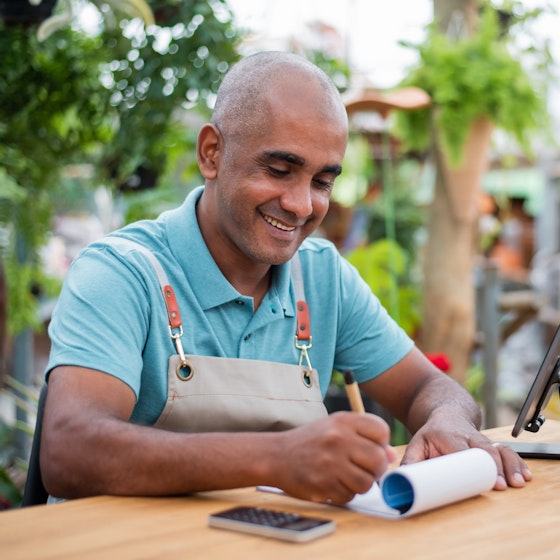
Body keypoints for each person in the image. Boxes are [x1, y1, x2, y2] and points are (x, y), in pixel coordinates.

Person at [40, 51, 531, 504]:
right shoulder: (122, 272)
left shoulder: (323, 278)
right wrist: (277, 458)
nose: (301, 205)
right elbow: (70, 451)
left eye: (322, 182)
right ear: (211, 153)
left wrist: (447, 421)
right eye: (278, 170)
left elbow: (433, 387)